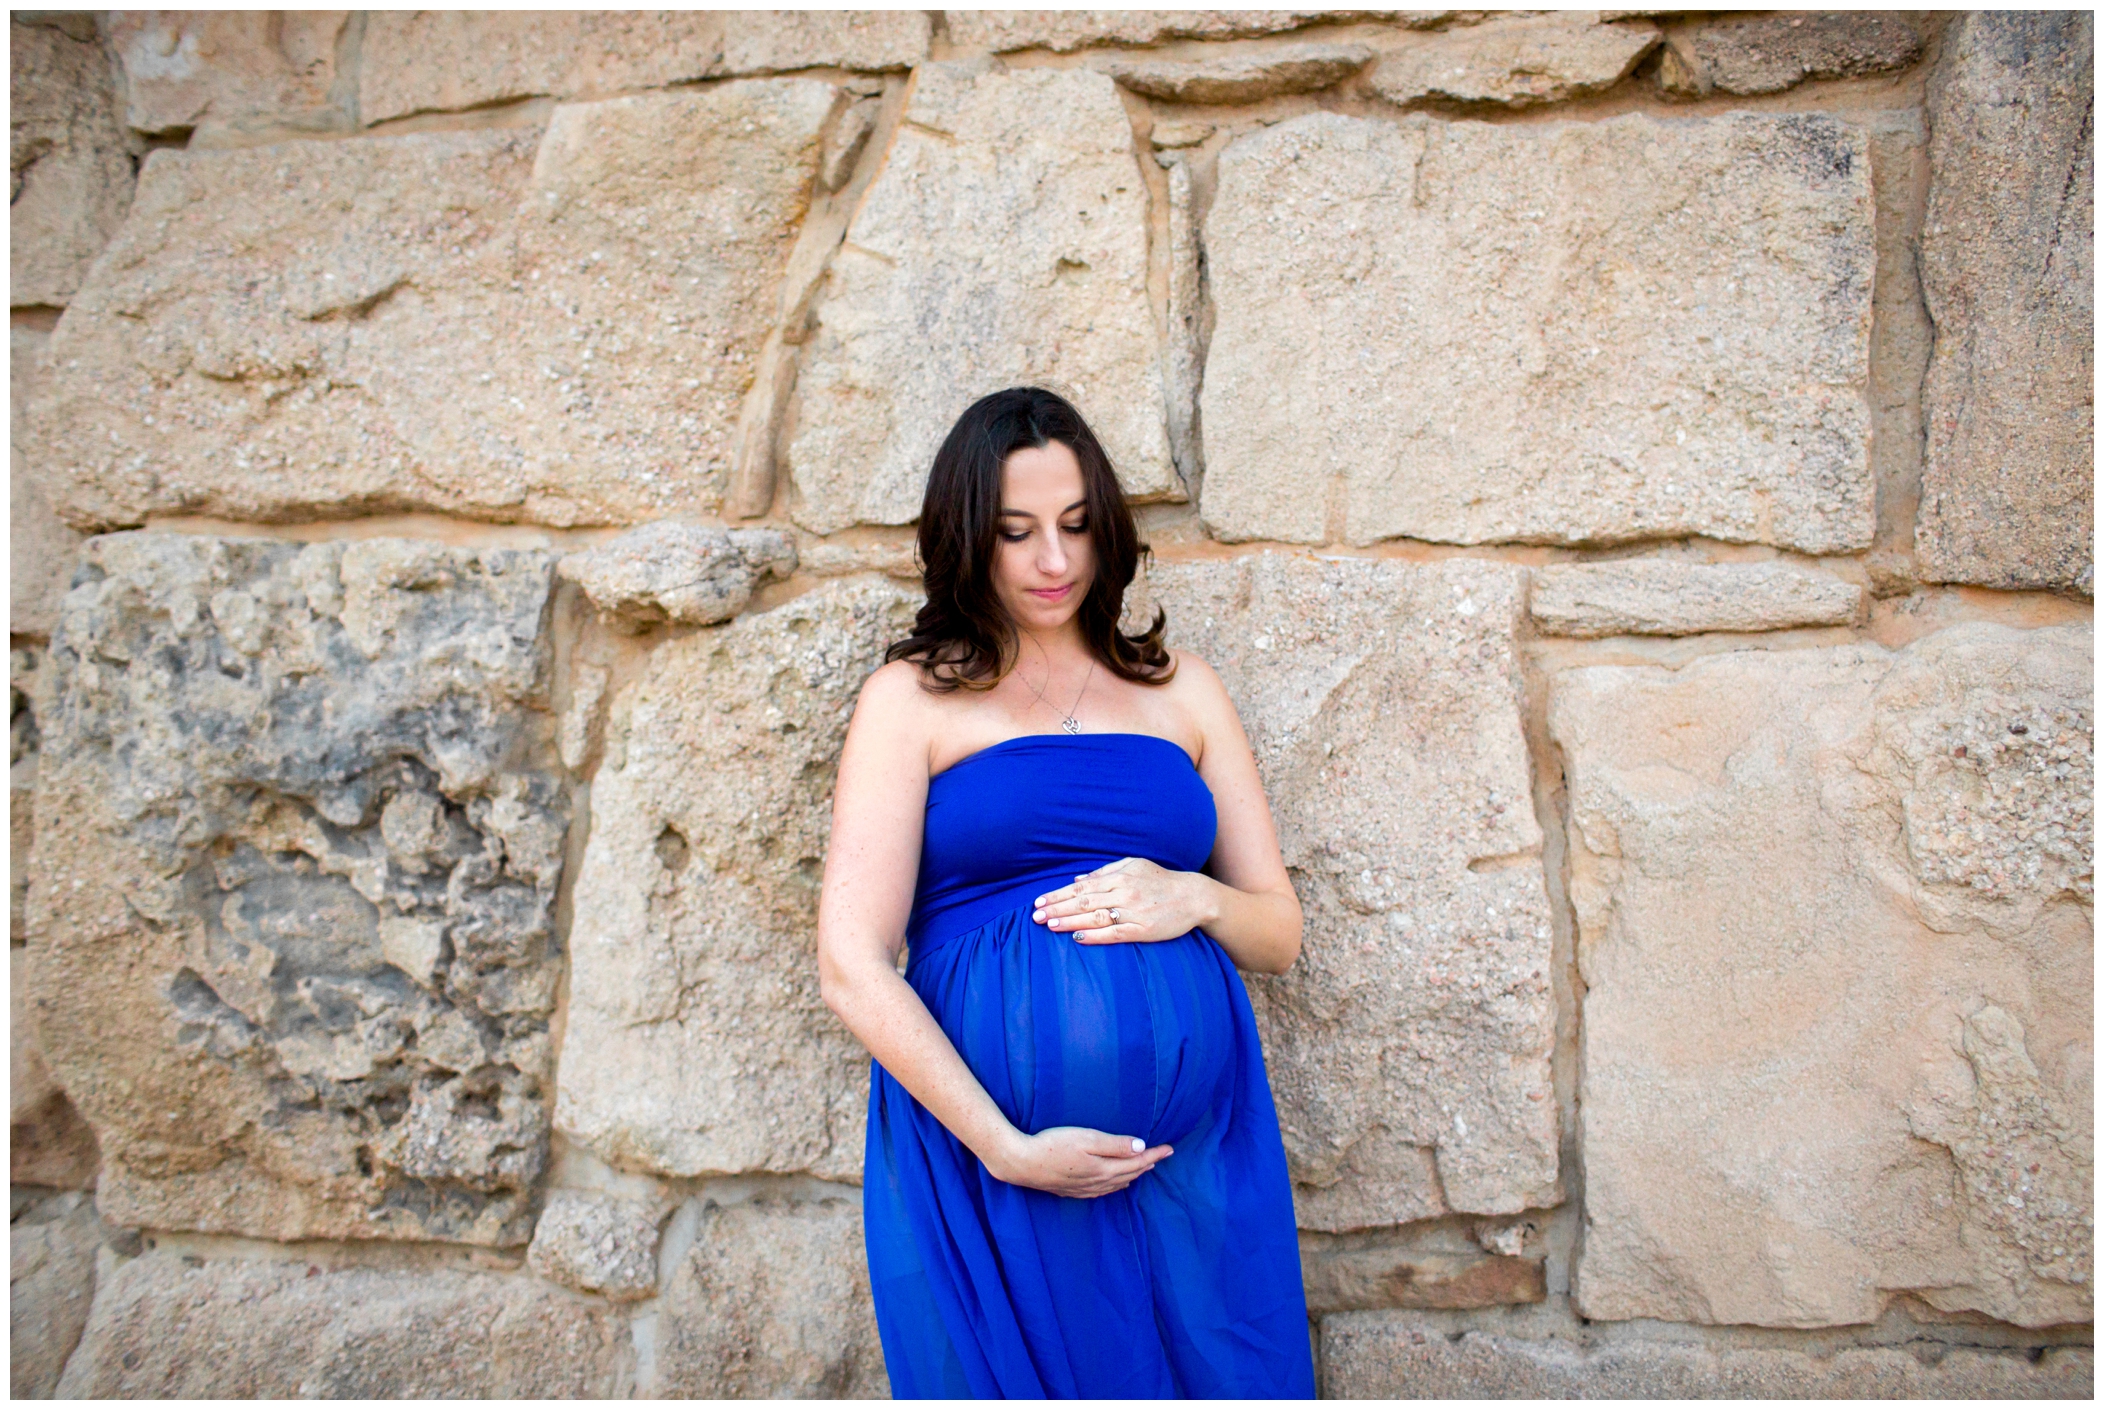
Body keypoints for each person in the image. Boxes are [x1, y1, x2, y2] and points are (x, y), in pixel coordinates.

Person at [816, 386, 1316, 1398]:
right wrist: (1004, 1147)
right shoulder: (912, 698)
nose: (1054, 561)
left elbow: (1278, 932)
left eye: (1078, 526)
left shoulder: (1181, 689)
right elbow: (850, 964)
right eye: (1016, 532)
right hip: (998, 1163)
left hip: (1193, 1164)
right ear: (967, 535)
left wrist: (1196, 899)